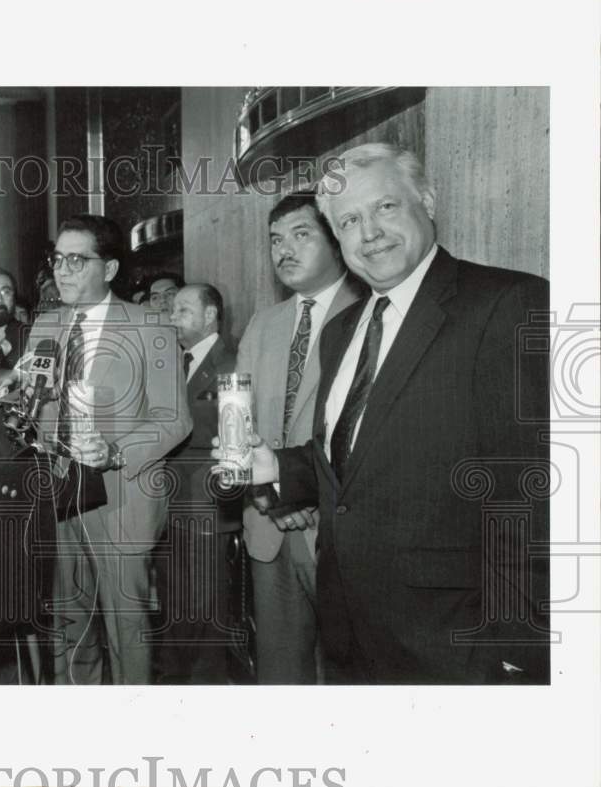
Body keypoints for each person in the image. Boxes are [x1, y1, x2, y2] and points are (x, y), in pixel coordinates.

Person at [220, 144, 550, 684]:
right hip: (351, 634)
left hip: (456, 647)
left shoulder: (507, 305)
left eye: (385, 208)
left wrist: (520, 651)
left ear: (428, 199)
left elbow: (536, 495)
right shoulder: (342, 333)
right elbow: (357, 460)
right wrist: (280, 468)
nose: (369, 232)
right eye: (349, 220)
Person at [27, 214, 192, 684]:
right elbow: (35, 403)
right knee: (68, 618)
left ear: (112, 268)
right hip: (61, 494)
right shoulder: (47, 324)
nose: (63, 270)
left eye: (77, 260)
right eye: (58, 259)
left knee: (126, 624)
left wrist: (114, 451)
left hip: (122, 496)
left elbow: (174, 419)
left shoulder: (151, 326)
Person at [236, 191, 366, 684]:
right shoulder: (263, 324)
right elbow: (239, 421)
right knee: (281, 674)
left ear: (335, 241)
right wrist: (271, 492)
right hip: (268, 524)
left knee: (346, 678)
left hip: (336, 529)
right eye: (275, 240)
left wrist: (307, 489)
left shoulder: (370, 313)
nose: (283, 250)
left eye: (301, 235)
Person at [157, 282, 242, 683]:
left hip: (207, 502)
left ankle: (205, 687)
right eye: (172, 311)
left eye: (183, 311)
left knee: (205, 605)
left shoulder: (232, 362)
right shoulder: (174, 361)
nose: (173, 318)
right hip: (169, 500)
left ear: (210, 316)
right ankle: (175, 682)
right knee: (175, 600)